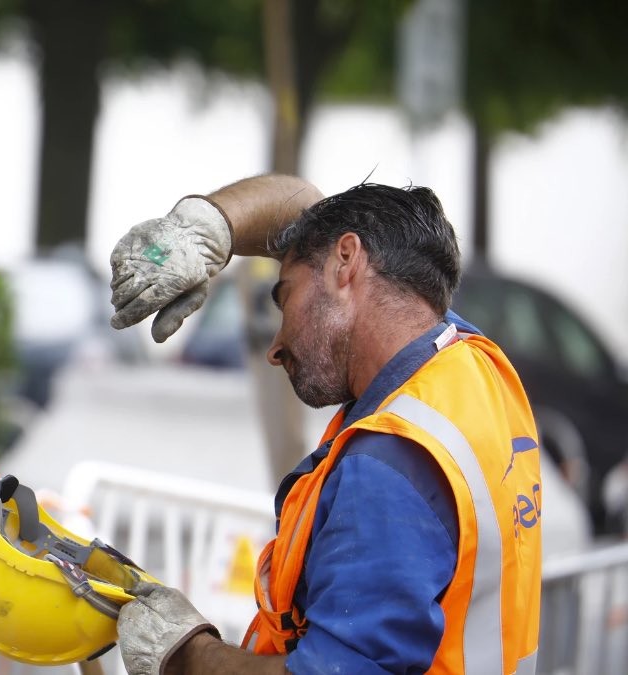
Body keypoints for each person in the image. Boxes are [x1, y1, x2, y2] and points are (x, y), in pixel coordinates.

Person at [107, 175, 543, 674]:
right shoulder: (469, 364)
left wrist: (185, 654)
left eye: (285, 298)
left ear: (346, 262)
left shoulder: (387, 468)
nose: (275, 347)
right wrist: (205, 229)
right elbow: (309, 208)